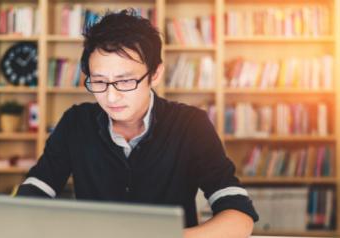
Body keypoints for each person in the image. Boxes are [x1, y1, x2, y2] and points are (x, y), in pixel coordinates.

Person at [16, 9, 258, 237]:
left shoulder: (190, 124)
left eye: (125, 81)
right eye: (99, 82)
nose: (111, 97)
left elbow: (239, 216)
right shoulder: (76, 122)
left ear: (155, 74)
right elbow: (33, 196)